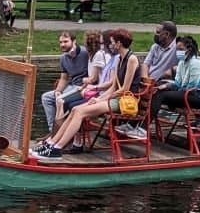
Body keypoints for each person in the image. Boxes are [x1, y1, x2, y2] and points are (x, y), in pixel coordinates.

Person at [34, 28, 141, 159]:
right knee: (75, 109)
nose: (110, 45)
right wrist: (99, 98)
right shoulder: (119, 59)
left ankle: (58, 148)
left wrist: (101, 100)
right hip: (113, 98)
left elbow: (124, 89)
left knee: (80, 112)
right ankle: (52, 142)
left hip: (123, 101)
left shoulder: (132, 59)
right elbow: (113, 87)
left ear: (119, 43)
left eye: (112, 42)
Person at [150, 34, 200, 124]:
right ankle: (142, 126)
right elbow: (178, 83)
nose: (178, 52)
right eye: (177, 50)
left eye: (181, 49)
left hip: (196, 97)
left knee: (161, 95)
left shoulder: (196, 63)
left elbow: (192, 87)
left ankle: (144, 128)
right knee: (157, 92)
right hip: (185, 94)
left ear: (188, 50)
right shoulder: (182, 62)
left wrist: (174, 90)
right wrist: (166, 86)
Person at [41, 31, 91, 135]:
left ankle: (63, 133)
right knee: (47, 97)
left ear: (74, 41)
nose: (62, 44)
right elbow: (64, 78)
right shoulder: (63, 57)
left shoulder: (85, 53)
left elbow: (94, 75)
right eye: (60, 42)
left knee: (61, 100)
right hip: (71, 86)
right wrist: (58, 91)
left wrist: (84, 86)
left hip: (83, 88)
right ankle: (53, 131)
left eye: (65, 41)